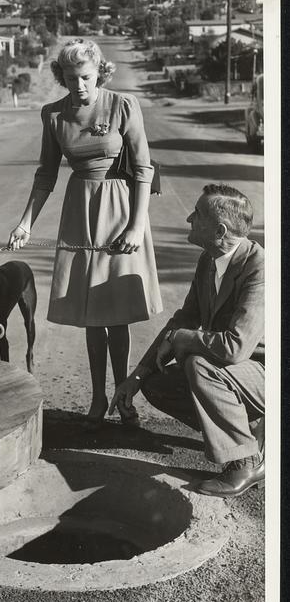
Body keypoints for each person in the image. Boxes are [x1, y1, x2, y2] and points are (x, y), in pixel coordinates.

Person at [8, 39, 162, 425]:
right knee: (92, 314)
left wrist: (136, 224)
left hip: (121, 209)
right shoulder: (53, 115)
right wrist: (26, 222)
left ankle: (124, 397)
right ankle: (97, 398)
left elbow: (143, 169)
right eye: (72, 78)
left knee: (117, 311)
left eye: (87, 77)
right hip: (80, 211)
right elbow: (45, 174)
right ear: (62, 77)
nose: (80, 85)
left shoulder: (123, 105)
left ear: (100, 73)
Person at [110, 184, 264, 498]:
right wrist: (137, 376)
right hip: (235, 373)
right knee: (157, 382)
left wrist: (181, 339)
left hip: (263, 372)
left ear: (219, 230)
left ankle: (245, 463)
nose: (188, 218)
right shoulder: (209, 260)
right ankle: (247, 431)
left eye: (197, 214)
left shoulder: (260, 267)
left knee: (199, 364)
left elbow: (235, 347)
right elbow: (184, 319)